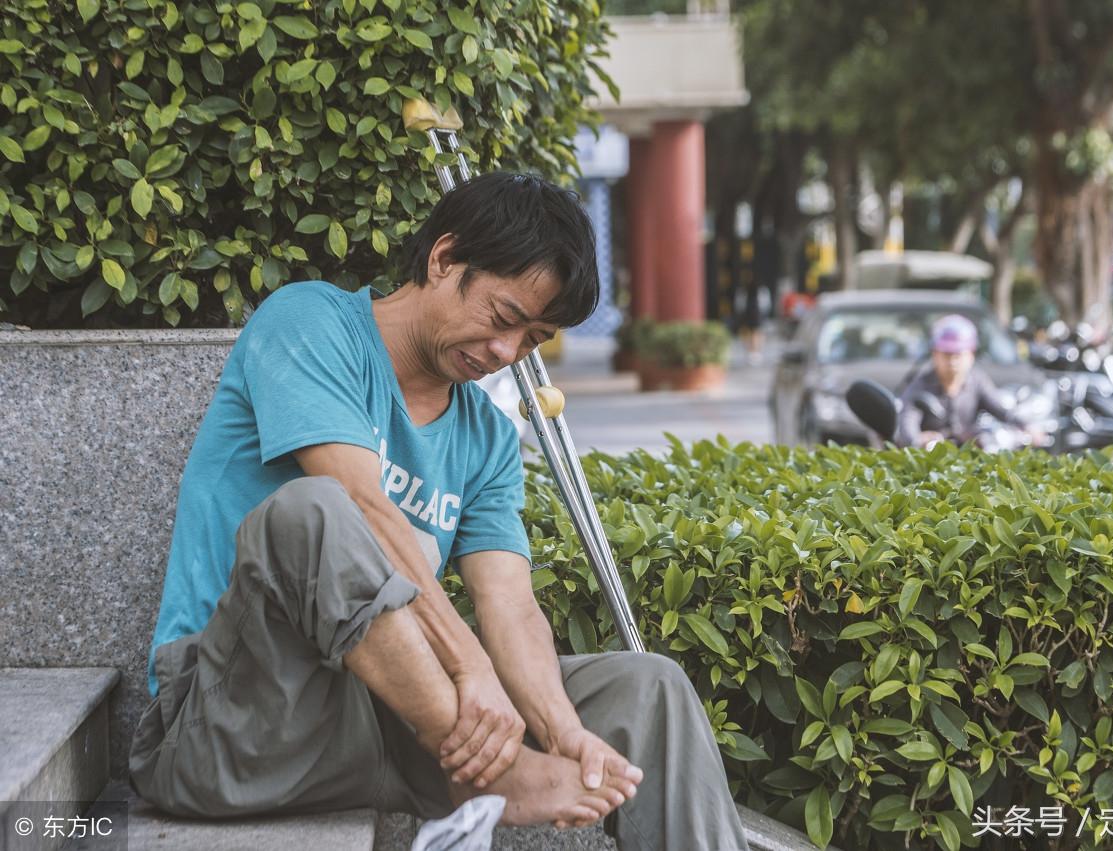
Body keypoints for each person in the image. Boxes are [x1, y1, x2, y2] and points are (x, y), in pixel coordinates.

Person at [129, 172, 749, 850]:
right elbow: (361, 505)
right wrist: (468, 668)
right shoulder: (309, 323)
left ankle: (508, 765)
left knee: (649, 689)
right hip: (234, 719)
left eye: (533, 339)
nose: (506, 353)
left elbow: (509, 603)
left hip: (383, 726)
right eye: (504, 318)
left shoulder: (486, 437)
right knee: (315, 510)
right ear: (443, 258)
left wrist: (562, 729)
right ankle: (498, 775)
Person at [895, 314, 1035, 448]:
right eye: (947, 354)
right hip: (933, 457)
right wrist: (919, 440)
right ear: (935, 354)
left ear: (971, 355)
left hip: (969, 455)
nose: (953, 361)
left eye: (958, 354)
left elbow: (1001, 410)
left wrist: (1028, 427)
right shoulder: (919, 386)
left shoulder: (977, 381)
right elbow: (907, 425)